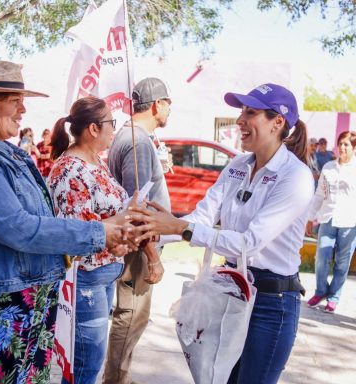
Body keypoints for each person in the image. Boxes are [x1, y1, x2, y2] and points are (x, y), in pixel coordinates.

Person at [0, 60, 134, 383]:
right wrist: (99, 232)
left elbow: (42, 220)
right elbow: (19, 227)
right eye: (14, 100)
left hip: (28, 308)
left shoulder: (8, 153)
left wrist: (109, 228)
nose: (23, 109)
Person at [128, 83, 314, 384]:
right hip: (229, 293)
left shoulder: (296, 177)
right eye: (241, 112)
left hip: (271, 303)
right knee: (216, 379)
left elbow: (248, 243)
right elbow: (202, 216)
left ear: (278, 122)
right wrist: (152, 231)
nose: (239, 121)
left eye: (250, 113)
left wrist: (180, 227)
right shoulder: (238, 165)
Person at [49, 96, 150, 384]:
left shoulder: (95, 162)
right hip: (86, 279)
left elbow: (101, 218)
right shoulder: (70, 169)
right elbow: (78, 232)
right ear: (93, 128)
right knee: (86, 366)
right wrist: (116, 236)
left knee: (90, 363)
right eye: (110, 123)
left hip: (102, 274)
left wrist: (124, 233)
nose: (113, 130)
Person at [103, 77, 171, 384]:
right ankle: (116, 379)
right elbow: (138, 206)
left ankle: (120, 376)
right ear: (158, 105)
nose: (170, 110)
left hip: (135, 244)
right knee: (131, 317)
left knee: (130, 316)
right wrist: (153, 256)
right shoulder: (137, 141)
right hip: (138, 248)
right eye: (169, 103)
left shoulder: (132, 137)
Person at [306, 131, 356, 313]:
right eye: (340, 143)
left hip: (350, 223)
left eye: (347, 145)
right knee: (321, 259)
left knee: (342, 264)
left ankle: (334, 297)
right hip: (327, 218)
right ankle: (320, 291)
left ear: (354, 148)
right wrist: (310, 218)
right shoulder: (328, 167)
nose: (342, 147)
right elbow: (319, 195)